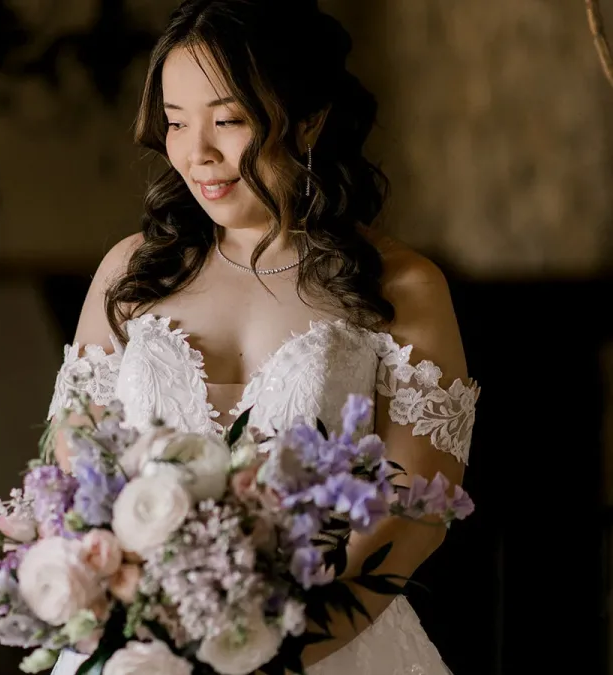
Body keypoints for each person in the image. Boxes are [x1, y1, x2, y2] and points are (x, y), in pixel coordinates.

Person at [45, 0, 479, 673]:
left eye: (228, 120)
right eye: (176, 122)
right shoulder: (130, 273)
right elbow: (74, 475)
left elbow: (415, 515)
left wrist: (274, 652)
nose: (197, 153)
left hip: (335, 646)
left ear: (309, 117)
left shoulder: (403, 286)